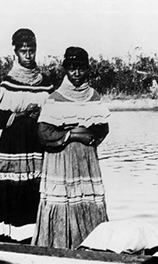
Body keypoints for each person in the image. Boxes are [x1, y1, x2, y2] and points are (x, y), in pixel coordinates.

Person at [0, 28, 54, 243]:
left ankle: (34, 236)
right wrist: (20, 114)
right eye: (24, 51)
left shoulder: (45, 82)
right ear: (16, 53)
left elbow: (55, 111)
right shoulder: (8, 83)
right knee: (10, 186)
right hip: (13, 145)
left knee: (34, 186)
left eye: (31, 50)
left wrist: (41, 113)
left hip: (37, 145)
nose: (28, 55)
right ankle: (4, 236)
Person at [31, 46, 110, 249]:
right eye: (72, 68)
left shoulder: (94, 96)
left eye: (81, 68)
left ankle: (92, 247)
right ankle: (59, 248)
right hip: (60, 159)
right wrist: (74, 134)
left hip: (85, 160)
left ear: (87, 70)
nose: (76, 73)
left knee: (86, 200)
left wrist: (89, 137)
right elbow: (44, 133)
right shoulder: (55, 98)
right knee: (63, 202)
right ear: (65, 69)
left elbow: (102, 128)